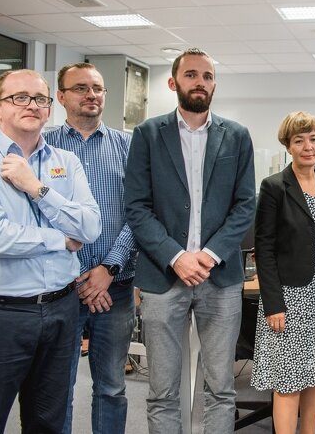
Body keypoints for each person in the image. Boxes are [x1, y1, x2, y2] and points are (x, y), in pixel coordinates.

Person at [0, 69, 101, 433]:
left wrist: (36, 188)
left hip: (62, 311)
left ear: (50, 108)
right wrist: (60, 240)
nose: (31, 105)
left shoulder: (67, 162)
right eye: (19, 97)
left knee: (49, 422)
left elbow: (90, 228)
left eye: (40, 98)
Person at [124, 48, 256, 434]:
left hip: (220, 278)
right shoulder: (148, 134)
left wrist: (211, 254)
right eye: (192, 75)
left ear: (214, 84)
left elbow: (245, 205)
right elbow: (137, 206)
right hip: (164, 277)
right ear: (173, 82)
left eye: (208, 76)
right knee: (162, 391)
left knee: (221, 387)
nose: (200, 82)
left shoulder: (236, 135)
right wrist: (176, 256)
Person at [44, 62, 138, 434]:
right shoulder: (43, 145)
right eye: (81, 88)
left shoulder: (128, 145)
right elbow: (38, 214)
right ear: (61, 96)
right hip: (60, 288)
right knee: (56, 387)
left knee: (112, 385)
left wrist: (107, 268)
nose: (91, 95)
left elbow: (140, 212)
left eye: (97, 88)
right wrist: (80, 274)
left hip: (114, 287)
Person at [251, 111, 315, 434]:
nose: (308, 147)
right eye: (299, 141)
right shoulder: (274, 187)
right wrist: (273, 303)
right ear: (288, 145)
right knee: (289, 376)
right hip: (289, 296)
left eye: (313, 139)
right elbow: (263, 248)